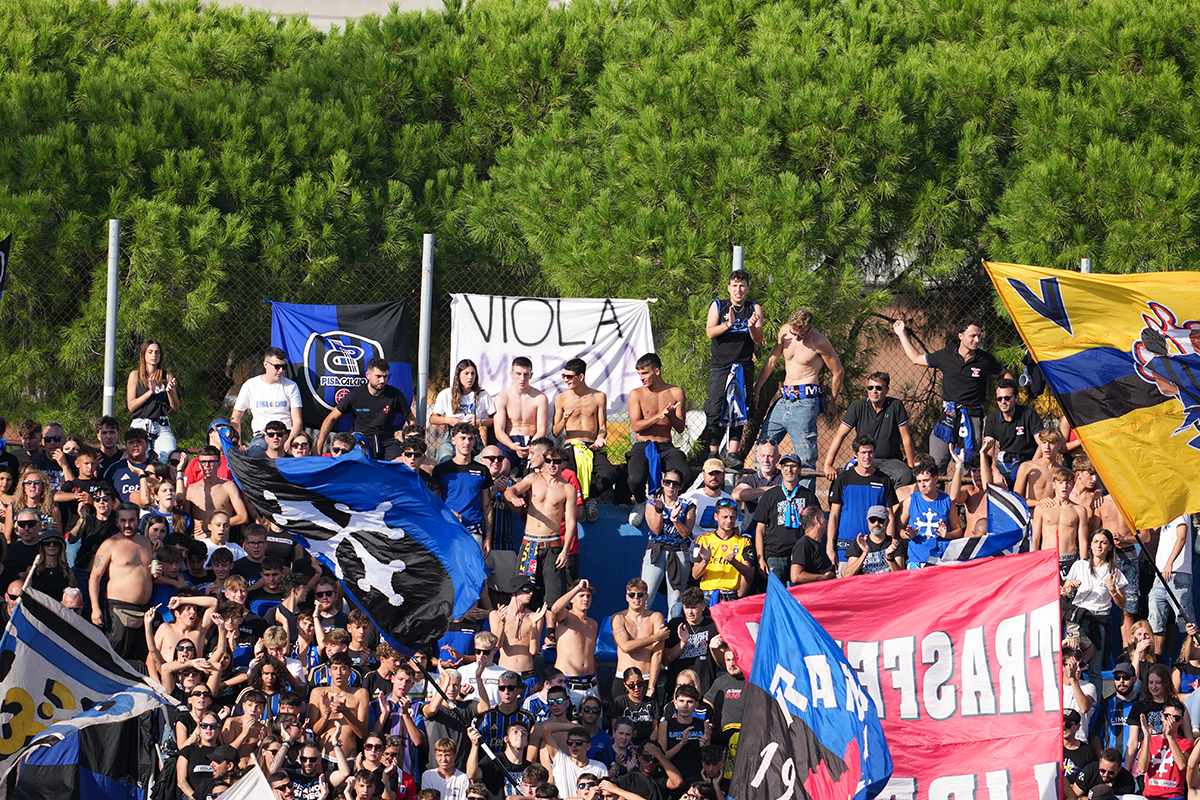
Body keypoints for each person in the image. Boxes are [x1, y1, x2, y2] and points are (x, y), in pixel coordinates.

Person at [892, 317, 1012, 472]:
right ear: (960, 336)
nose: (977, 340)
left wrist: (1008, 393)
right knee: (936, 461)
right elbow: (916, 359)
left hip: (973, 417)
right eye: (973, 336)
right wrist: (902, 334)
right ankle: (938, 494)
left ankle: (965, 492)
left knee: (969, 464)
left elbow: (1005, 374)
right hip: (948, 415)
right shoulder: (945, 356)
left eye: (979, 336)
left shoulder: (985, 359)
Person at [754, 309, 844, 490]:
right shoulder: (785, 332)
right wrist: (757, 388)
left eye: (801, 335)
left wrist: (832, 401)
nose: (796, 338)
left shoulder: (820, 342)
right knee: (763, 447)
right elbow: (772, 360)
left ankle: (804, 505)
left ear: (810, 328)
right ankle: (762, 496)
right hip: (784, 398)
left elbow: (838, 371)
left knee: (805, 457)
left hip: (805, 402)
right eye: (794, 333)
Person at [702, 270, 764, 468]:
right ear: (729, 288)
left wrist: (752, 327)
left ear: (747, 288)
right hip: (720, 366)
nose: (739, 289)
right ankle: (713, 452)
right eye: (735, 285)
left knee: (739, 407)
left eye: (742, 285)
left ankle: (732, 453)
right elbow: (710, 332)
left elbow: (759, 339)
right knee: (715, 407)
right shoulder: (718, 305)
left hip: (742, 366)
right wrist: (728, 324)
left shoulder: (754, 308)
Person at [505, 445, 576, 608]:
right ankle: (522, 632)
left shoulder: (568, 489)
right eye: (549, 460)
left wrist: (565, 551)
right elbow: (511, 490)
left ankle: (550, 634)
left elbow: (571, 521)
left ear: (563, 464)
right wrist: (514, 498)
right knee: (522, 594)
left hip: (552, 546)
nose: (551, 465)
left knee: (553, 597)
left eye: (556, 462)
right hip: (529, 544)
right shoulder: (533, 479)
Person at [626, 354, 689, 527]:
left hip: (666, 444)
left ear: (657, 371)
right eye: (639, 374)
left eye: (645, 373)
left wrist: (669, 416)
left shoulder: (675, 392)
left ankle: (666, 502)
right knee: (635, 480)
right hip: (642, 444)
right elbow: (637, 426)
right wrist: (659, 415)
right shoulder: (636, 394)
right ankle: (640, 502)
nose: (642, 378)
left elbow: (680, 427)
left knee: (685, 473)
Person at [822, 372, 915, 488]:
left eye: (879, 388)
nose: (874, 391)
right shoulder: (857, 407)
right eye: (870, 387)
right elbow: (839, 435)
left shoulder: (896, 406)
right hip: (864, 459)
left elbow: (906, 438)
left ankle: (890, 504)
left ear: (887, 390)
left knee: (906, 476)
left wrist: (911, 467)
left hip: (890, 461)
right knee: (842, 479)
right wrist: (828, 465)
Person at [88, 502, 154, 660]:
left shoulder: (146, 542)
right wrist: (95, 608)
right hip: (119, 610)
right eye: (123, 520)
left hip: (144, 609)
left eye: (131, 520)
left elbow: (148, 572)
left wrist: (155, 572)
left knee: (140, 659)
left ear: (138, 521)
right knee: (115, 658)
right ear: (117, 522)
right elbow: (94, 577)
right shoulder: (110, 544)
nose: (127, 525)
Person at [316, 357, 413, 460]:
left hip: (387, 440)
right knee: (357, 460)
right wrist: (319, 445)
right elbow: (331, 418)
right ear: (368, 375)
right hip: (361, 440)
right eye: (378, 376)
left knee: (399, 463)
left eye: (385, 377)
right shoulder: (355, 395)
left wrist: (411, 444)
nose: (382, 380)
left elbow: (412, 420)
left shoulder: (396, 395)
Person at [553, 359, 614, 520]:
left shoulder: (599, 396)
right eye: (564, 376)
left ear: (581, 377)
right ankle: (576, 503)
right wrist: (565, 420)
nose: (566, 380)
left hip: (592, 446)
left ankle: (589, 498)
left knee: (608, 474)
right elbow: (556, 432)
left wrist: (600, 438)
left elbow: (602, 427)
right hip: (571, 445)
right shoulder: (561, 398)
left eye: (569, 376)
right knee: (570, 474)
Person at [825, 436, 897, 572]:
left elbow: (890, 517)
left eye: (870, 452)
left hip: (876, 548)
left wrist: (889, 545)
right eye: (863, 452)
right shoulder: (843, 479)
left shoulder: (884, 480)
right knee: (846, 589)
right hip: (846, 548)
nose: (867, 456)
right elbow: (834, 516)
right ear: (855, 454)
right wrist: (830, 547)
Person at [1063, 529, 1127, 682]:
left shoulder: (1114, 572)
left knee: (1095, 669)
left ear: (1110, 547)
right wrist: (1070, 588)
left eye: (1103, 542)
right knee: (1071, 663)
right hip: (1077, 620)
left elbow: (1122, 603)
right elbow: (1063, 592)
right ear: (1090, 544)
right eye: (1096, 541)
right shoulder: (1079, 565)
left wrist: (1112, 589)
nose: (1099, 546)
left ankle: (1095, 705)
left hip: (1100, 620)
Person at [751, 452, 821, 584]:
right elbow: (760, 529)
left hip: (801, 553)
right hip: (775, 553)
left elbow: (817, 527)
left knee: (800, 596)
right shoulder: (770, 496)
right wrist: (761, 559)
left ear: (800, 470)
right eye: (785, 466)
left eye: (793, 466)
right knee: (776, 596)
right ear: (781, 469)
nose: (789, 469)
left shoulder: (809, 496)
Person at [641, 468, 695, 621]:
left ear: (681, 487)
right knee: (646, 596)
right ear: (662, 483)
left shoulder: (688, 505)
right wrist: (659, 511)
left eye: (675, 484)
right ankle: (640, 633)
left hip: (679, 552)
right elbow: (656, 530)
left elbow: (686, 534)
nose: (671, 487)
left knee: (676, 601)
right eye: (668, 482)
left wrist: (675, 519)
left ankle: (672, 639)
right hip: (656, 550)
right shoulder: (652, 502)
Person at [435, 423, 494, 553]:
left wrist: (488, 538)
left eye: (471, 438)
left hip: (474, 533)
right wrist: (449, 513)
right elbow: (434, 502)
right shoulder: (441, 470)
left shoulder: (482, 470)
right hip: (448, 531)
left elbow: (487, 506)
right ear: (453, 440)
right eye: (462, 438)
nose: (467, 442)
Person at [897, 461, 962, 569]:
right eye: (919, 481)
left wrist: (947, 535)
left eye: (926, 480)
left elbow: (958, 530)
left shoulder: (947, 501)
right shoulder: (911, 500)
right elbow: (898, 527)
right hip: (916, 561)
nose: (922, 485)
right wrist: (908, 535)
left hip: (940, 561)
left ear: (936, 479)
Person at [611, 579, 668, 702]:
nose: (636, 598)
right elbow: (625, 647)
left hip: (646, 678)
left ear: (646, 596)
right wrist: (655, 637)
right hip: (622, 677)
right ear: (627, 597)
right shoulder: (618, 618)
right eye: (632, 595)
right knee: (618, 720)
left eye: (640, 594)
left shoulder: (655, 617)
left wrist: (651, 686)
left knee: (649, 721)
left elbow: (657, 654)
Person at [1031, 468, 1090, 580]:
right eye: (1060, 483)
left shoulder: (1079, 510)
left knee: (1069, 595)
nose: (1064, 486)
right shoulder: (1041, 508)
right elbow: (1035, 538)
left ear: (1072, 485)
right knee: (1048, 595)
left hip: (1070, 558)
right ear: (1054, 485)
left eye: (1068, 483)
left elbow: (1082, 540)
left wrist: (1083, 563)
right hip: (1047, 557)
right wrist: (1035, 559)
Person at [126, 340, 180, 461]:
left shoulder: (167, 376)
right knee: (138, 456)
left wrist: (170, 393)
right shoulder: (135, 375)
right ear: (144, 355)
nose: (154, 355)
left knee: (169, 454)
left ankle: (162, 478)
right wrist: (150, 391)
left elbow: (175, 407)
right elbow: (131, 406)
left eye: (157, 352)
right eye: (150, 352)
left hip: (161, 423)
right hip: (140, 423)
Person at [430, 359, 496, 459]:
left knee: (482, 460)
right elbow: (433, 419)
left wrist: (480, 422)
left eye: (473, 374)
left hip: (473, 436)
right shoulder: (447, 394)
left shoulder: (482, 395)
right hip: (452, 435)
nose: (470, 377)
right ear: (458, 375)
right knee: (445, 457)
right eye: (466, 373)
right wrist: (449, 420)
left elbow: (493, 420)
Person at [494, 357, 550, 473]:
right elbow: (499, 431)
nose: (522, 378)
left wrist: (531, 446)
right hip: (510, 440)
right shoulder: (503, 397)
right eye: (518, 374)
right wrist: (512, 446)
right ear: (511, 374)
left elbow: (541, 429)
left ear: (531, 375)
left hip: (533, 440)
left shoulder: (540, 398)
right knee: (501, 468)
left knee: (537, 472)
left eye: (525, 374)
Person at [981, 378, 1041, 484]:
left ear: (1016, 398)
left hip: (1029, 461)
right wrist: (994, 471)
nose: (1003, 402)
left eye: (1007, 398)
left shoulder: (1029, 414)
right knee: (984, 476)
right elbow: (990, 451)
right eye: (999, 399)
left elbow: (1042, 444)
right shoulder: (992, 419)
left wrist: (1031, 465)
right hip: (1005, 463)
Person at [691, 501, 754, 603]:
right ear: (716, 517)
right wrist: (705, 561)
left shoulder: (744, 541)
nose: (729, 521)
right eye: (725, 517)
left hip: (731, 595)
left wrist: (734, 562)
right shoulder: (703, 540)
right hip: (707, 595)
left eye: (732, 517)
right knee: (678, 609)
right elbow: (695, 574)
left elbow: (749, 573)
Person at [662, 589, 720, 698]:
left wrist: (715, 648)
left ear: (703, 606)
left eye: (694, 607)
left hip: (704, 691)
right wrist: (682, 643)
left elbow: (721, 663)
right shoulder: (675, 625)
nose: (690, 612)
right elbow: (665, 660)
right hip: (678, 693)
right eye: (686, 607)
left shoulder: (712, 625)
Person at [551, 579, 600, 705]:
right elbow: (555, 609)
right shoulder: (566, 617)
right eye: (581, 595)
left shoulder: (593, 624)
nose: (585, 599)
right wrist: (578, 587)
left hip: (590, 685)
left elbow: (590, 657)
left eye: (588, 596)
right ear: (572, 599)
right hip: (568, 684)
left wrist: (597, 688)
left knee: (593, 724)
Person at [1151, 515, 1194, 657]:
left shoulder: (1181, 512)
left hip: (1178, 574)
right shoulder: (1164, 516)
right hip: (1160, 576)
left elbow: (1182, 537)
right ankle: (1157, 665)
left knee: (1187, 624)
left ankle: (1191, 663)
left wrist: (1169, 562)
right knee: (1156, 624)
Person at [184, 446, 250, 536]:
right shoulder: (191, 489)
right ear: (199, 464)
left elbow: (243, 517)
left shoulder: (228, 487)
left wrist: (212, 525)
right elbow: (183, 519)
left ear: (219, 464)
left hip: (223, 543)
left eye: (211, 461)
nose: (207, 465)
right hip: (200, 543)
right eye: (203, 462)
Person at [1091, 661, 1141, 771]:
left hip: (1138, 767)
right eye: (1117, 677)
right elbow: (1095, 737)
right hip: (1111, 768)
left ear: (1135, 679)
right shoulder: (1106, 704)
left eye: (1126, 677)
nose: (1121, 681)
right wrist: (1104, 761)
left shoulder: (1143, 704)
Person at [1138, 700, 1193, 799]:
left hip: (1173, 796)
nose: (1170, 721)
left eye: (1175, 718)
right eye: (1167, 716)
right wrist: (1146, 739)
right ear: (1162, 717)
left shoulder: (1186, 743)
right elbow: (1142, 769)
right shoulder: (1151, 740)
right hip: (1150, 795)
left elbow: (1182, 765)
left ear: (1181, 721)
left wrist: (1170, 736)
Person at [730, 442, 780, 537]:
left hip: (775, 533)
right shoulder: (749, 479)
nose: (765, 460)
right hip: (750, 530)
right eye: (762, 456)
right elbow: (736, 495)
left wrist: (752, 495)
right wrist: (771, 491)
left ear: (778, 458)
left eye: (770, 456)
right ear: (757, 456)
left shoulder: (783, 478)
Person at [541, 725, 605, 791]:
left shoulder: (600, 767)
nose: (574, 745)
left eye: (578, 742)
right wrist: (572, 726)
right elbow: (546, 728)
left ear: (588, 746)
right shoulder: (560, 760)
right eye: (570, 742)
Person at [843, 505, 903, 576]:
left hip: (887, 585)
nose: (876, 524)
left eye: (881, 520)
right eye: (872, 520)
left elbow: (901, 576)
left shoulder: (895, 543)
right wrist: (864, 554)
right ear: (868, 521)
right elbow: (847, 574)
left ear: (887, 522)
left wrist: (890, 558)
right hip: (865, 585)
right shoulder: (859, 542)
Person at [1013, 429, 1066, 506]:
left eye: (1051, 443)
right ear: (1040, 444)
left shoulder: (1063, 472)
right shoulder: (1027, 467)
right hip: (1031, 515)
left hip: (1052, 515)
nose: (1047, 447)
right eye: (1044, 443)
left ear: (1059, 445)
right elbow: (1016, 498)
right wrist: (1039, 502)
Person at [104, 428, 153, 505]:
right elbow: (105, 495)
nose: (135, 445)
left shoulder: (155, 467)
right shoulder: (115, 469)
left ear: (147, 445)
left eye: (139, 442)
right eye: (131, 442)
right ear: (126, 446)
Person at [788, 507, 835, 586]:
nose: (826, 521)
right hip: (808, 595)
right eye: (824, 517)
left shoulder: (817, 544)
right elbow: (796, 576)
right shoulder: (804, 544)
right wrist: (823, 577)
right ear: (817, 520)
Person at [1069, 747, 1138, 797]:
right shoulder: (1089, 771)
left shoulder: (1127, 781)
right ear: (1099, 763)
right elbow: (1074, 796)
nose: (1106, 775)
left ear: (1119, 768)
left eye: (1111, 772)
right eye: (1102, 770)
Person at [1062, 709, 1097, 798]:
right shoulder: (1052, 748)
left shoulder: (1087, 752)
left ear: (1078, 727)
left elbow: (1090, 781)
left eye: (1068, 724)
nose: (1063, 727)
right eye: (1060, 723)